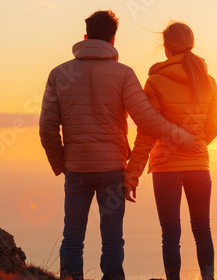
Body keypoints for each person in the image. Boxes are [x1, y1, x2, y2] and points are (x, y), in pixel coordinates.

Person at [39, 11, 195, 280]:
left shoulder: (59, 74)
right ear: (113, 39)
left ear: (85, 36)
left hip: (76, 168)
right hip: (112, 168)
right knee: (112, 240)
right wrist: (183, 136)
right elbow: (147, 120)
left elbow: (47, 128)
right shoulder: (123, 74)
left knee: (72, 237)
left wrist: (61, 162)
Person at [124, 22, 217, 280]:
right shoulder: (208, 81)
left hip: (166, 168)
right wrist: (194, 148)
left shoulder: (155, 81)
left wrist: (132, 174)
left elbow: (146, 132)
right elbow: (213, 128)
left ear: (166, 48)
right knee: (203, 230)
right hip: (199, 166)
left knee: (170, 235)